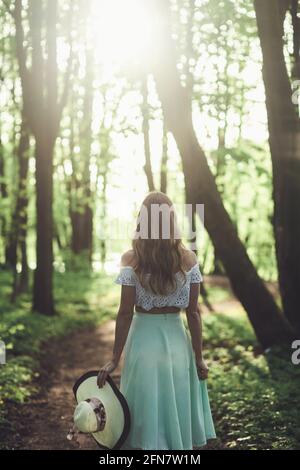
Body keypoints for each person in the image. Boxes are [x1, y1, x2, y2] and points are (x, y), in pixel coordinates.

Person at [97, 191, 216, 450]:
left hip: (143, 340)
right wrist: (198, 357)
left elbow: (125, 312)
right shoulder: (189, 259)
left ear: (143, 219)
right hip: (177, 341)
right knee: (174, 403)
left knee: (144, 404)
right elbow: (193, 313)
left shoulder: (131, 259)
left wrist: (115, 358)